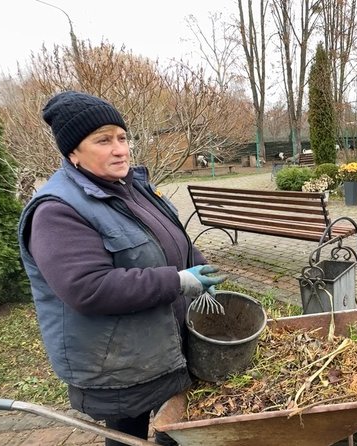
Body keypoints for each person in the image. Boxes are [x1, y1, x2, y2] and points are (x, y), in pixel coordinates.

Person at [18, 91, 225, 446]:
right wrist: (176, 282)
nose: (120, 149)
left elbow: (174, 241)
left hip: (160, 345)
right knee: (126, 438)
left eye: (122, 137)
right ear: (73, 152)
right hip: (117, 362)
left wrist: (199, 268)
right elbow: (88, 287)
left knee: (176, 430)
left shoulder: (133, 186)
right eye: (103, 140)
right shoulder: (57, 211)